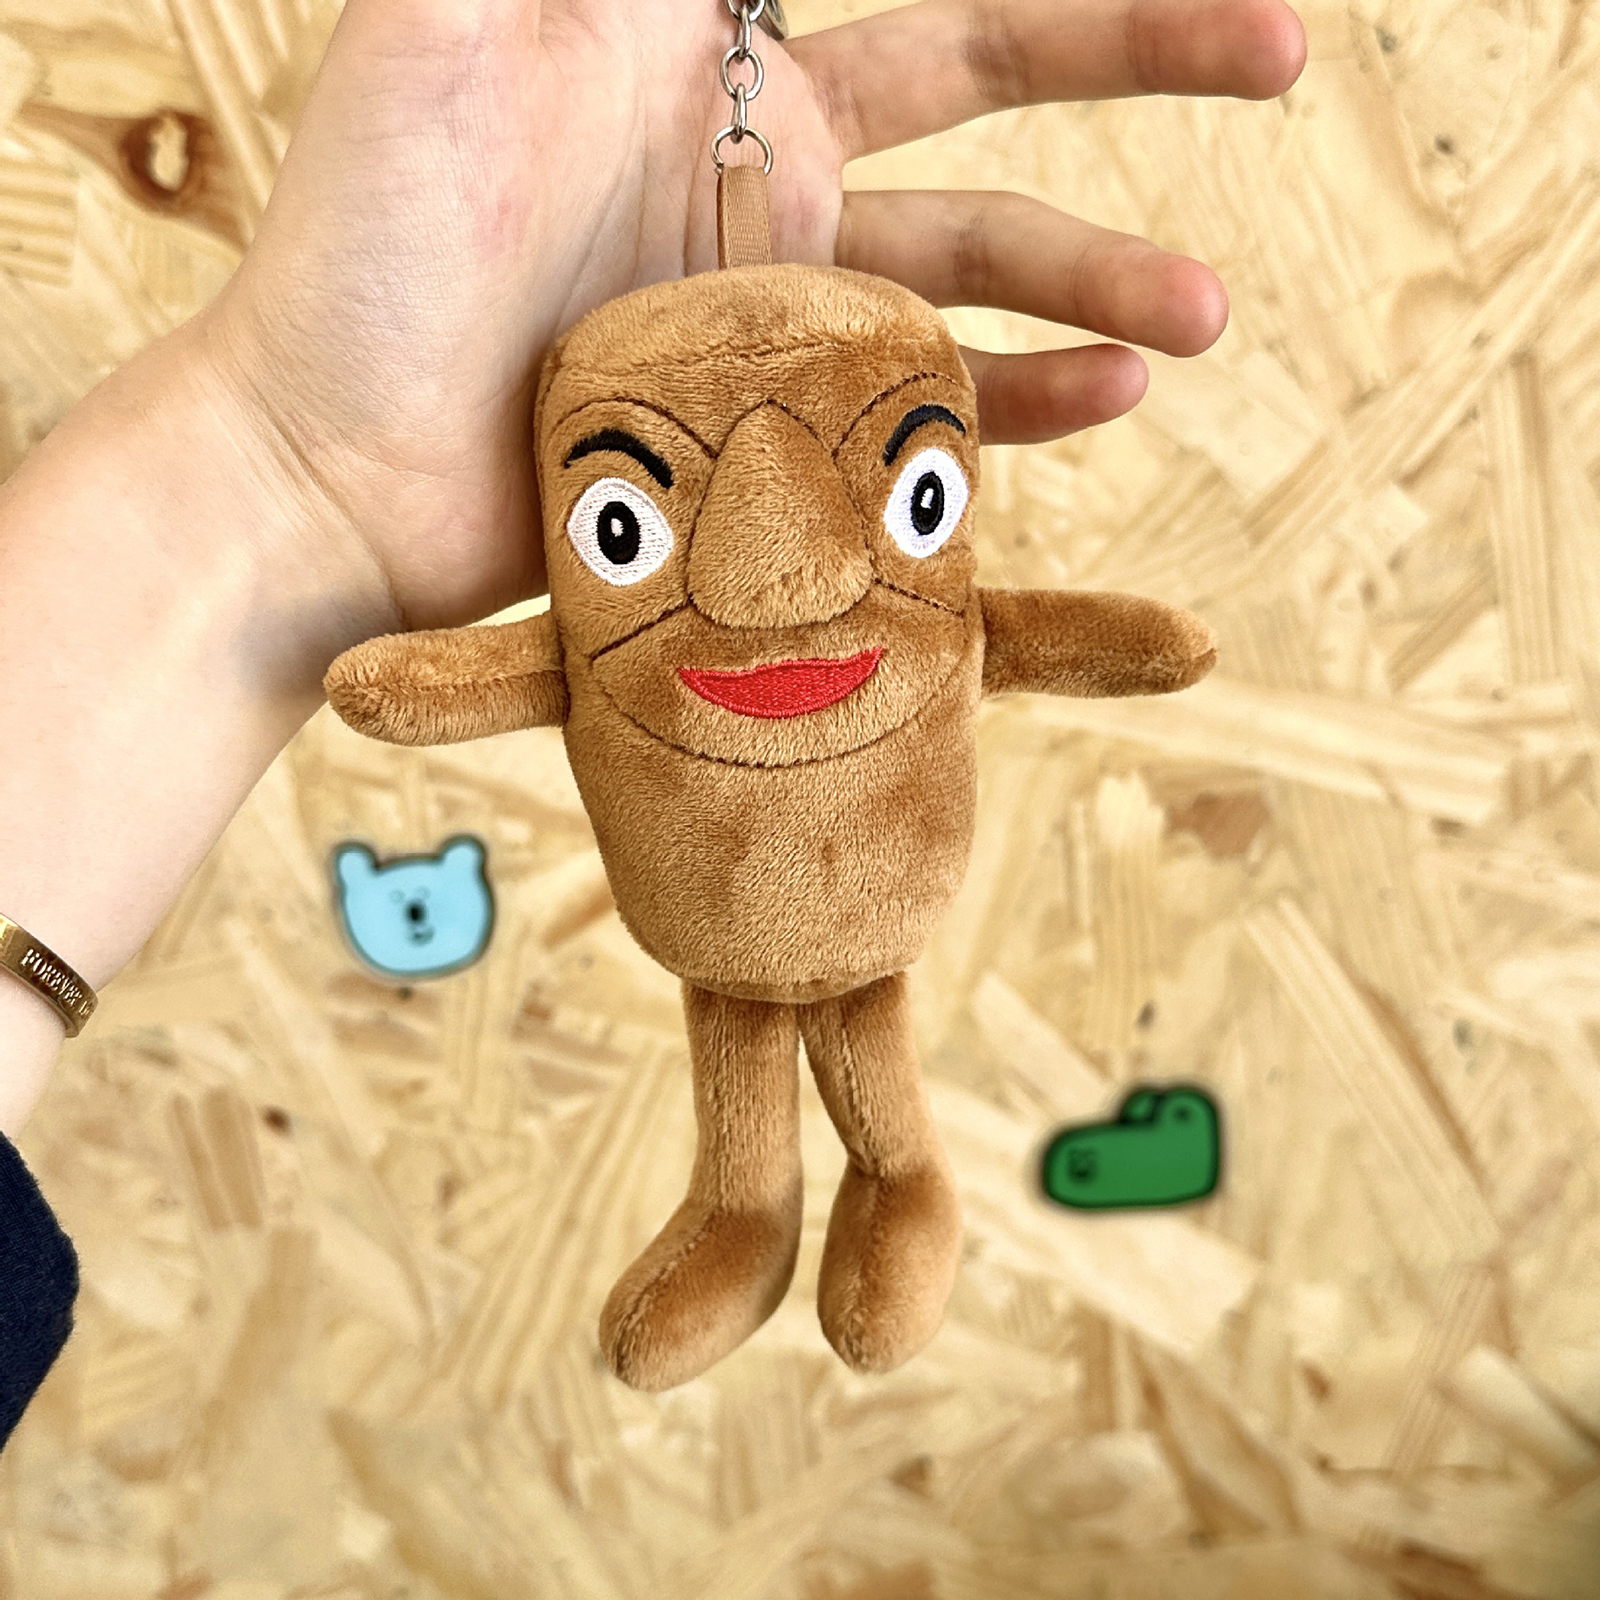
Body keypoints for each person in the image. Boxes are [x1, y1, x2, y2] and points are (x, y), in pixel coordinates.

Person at [0, 0, 1306, 1441]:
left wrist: (282, 487)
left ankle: (901, 1178)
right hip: (715, 904)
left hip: (832, 899)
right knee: (745, 1050)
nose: (771, 571)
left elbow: (1051, 633)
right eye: (619, 523)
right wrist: (287, 472)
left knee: (852, 1023)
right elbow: (469, 675)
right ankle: (749, 1212)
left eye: (913, 495)